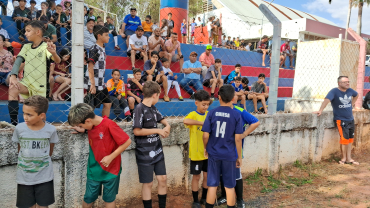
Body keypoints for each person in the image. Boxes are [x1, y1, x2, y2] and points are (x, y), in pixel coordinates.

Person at [68, 103, 132, 208]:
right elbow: (93, 130)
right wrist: (82, 129)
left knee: (109, 199)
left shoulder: (109, 124)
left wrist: (111, 157)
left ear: (88, 121)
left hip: (111, 171)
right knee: (88, 198)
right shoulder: (89, 126)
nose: (80, 128)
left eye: (80, 125)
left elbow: (127, 141)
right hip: (94, 170)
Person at [8, 20, 61, 126]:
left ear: (38, 32)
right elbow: (18, 60)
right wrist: (13, 75)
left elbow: (57, 61)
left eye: (28, 31)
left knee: (36, 117)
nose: (25, 33)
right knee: (13, 89)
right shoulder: (26, 47)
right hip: (27, 83)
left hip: (41, 86)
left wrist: (54, 54)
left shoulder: (46, 46)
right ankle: (14, 125)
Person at [12, 96, 59, 208]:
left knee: (43, 205)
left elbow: (49, 151)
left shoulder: (51, 130)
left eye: (29, 114)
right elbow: (20, 148)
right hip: (24, 177)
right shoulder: (19, 129)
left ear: (41, 115)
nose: (25, 117)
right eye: (23, 113)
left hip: (44, 176)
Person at [202, 85, 244, 208]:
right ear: (232, 98)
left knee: (213, 185)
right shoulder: (236, 115)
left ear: (218, 97)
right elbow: (238, 139)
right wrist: (239, 156)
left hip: (214, 154)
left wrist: (206, 148)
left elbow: (205, 135)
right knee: (229, 186)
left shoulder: (211, 113)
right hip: (229, 155)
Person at [216, 94, 260, 208]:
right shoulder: (218, 111)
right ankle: (225, 195)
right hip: (221, 150)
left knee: (236, 174)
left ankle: (240, 199)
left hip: (235, 150)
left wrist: (244, 134)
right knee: (222, 173)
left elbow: (255, 122)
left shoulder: (240, 111)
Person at [132, 81, 171, 208]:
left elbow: (161, 118)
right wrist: (158, 130)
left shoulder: (153, 108)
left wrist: (167, 125)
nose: (159, 98)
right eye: (159, 95)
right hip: (144, 153)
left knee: (163, 179)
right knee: (148, 183)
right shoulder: (139, 109)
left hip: (157, 151)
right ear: (155, 95)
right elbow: (137, 131)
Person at [313, 76, 359, 165]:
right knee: (344, 139)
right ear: (339, 83)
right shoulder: (334, 91)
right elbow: (326, 100)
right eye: (345, 82)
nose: (348, 83)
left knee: (349, 140)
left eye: (348, 82)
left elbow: (356, 95)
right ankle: (343, 158)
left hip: (351, 119)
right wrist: (320, 110)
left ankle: (349, 158)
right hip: (341, 120)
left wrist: (352, 104)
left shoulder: (350, 90)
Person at [183, 90, 211, 207]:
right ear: (196, 103)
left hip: (208, 152)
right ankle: (195, 200)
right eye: (203, 104)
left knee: (206, 176)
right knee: (196, 176)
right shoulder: (193, 115)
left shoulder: (209, 114)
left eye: (207, 104)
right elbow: (185, 120)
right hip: (196, 152)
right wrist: (201, 123)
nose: (205, 107)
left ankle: (204, 198)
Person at [84, 25, 112, 117]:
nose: (108, 37)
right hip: (94, 83)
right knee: (89, 107)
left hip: (101, 83)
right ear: (99, 36)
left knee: (108, 103)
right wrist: (92, 84)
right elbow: (90, 66)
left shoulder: (102, 49)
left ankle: (105, 123)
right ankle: (82, 125)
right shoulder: (95, 49)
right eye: (106, 35)